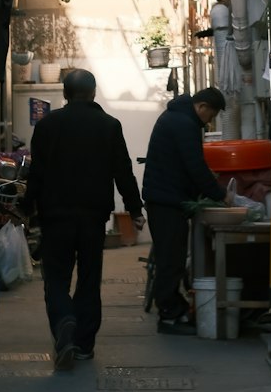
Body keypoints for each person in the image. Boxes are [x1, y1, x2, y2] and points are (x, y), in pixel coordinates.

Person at [21, 67, 143, 370]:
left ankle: (65, 323)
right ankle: (85, 343)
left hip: (55, 217)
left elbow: (36, 174)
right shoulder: (109, 125)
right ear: (93, 92)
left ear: (65, 94)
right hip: (92, 218)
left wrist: (24, 210)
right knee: (89, 280)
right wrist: (135, 209)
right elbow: (122, 171)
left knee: (57, 278)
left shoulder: (48, 125)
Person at [142, 87, 228, 334]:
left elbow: (188, 165)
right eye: (210, 116)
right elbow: (195, 165)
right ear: (202, 107)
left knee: (172, 258)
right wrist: (220, 194)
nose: (209, 122)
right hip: (167, 201)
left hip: (165, 199)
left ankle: (174, 310)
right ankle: (168, 315)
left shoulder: (176, 117)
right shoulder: (184, 124)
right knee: (171, 260)